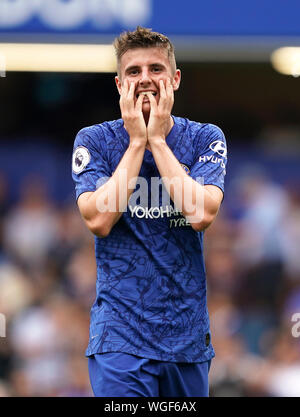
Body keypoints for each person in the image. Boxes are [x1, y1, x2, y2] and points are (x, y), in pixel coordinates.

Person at [72, 26, 227, 397]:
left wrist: (157, 140)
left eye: (156, 69)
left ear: (174, 79)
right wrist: (137, 141)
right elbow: (98, 218)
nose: (145, 79)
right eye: (133, 72)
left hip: (186, 339)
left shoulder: (205, 138)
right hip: (119, 338)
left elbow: (201, 213)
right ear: (119, 84)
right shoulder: (94, 141)